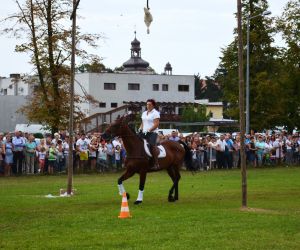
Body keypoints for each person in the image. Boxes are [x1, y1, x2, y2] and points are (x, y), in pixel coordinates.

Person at [139, 99, 160, 170]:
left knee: (151, 145)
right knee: (136, 142)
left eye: (149, 104)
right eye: (147, 104)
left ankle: (156, 164)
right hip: (144, 132)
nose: (148, 106)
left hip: (153, 132)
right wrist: (140, 129)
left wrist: (149, 130)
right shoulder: (144, 113)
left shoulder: (155, 113)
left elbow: (156, 124)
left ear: (153, 105)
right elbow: (142, 123)